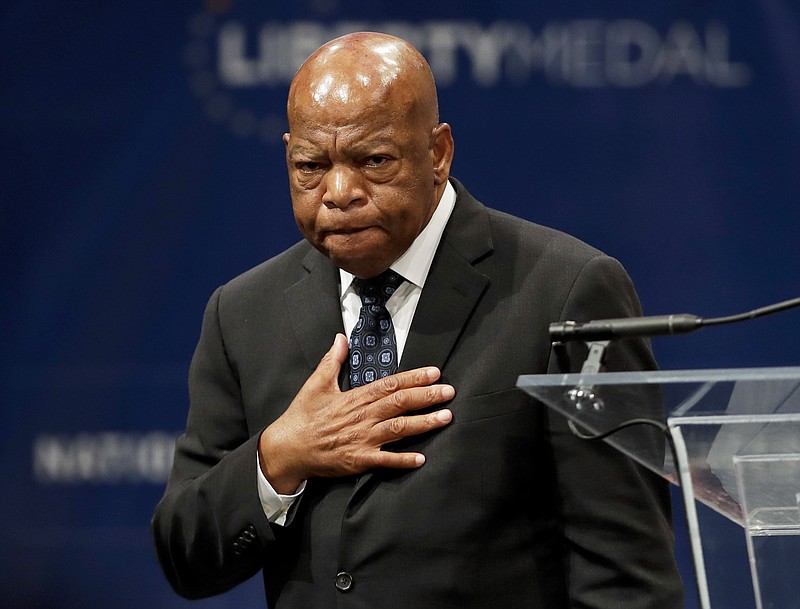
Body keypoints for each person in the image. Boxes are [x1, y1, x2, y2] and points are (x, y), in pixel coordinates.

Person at [152, 32, 683, 609]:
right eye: (310, 165)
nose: (339, 192)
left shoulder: (566, 292)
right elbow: (186, 556)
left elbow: (627, 579)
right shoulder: (244, 311)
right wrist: (278, 457)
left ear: (437, 153)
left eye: (373, 160)